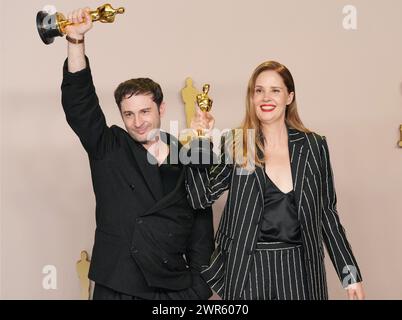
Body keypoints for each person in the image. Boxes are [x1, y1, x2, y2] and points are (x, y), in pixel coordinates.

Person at [61, 8, 214, 300]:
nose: (138, 121)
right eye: (128, 114)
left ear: (162, 109)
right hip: (116, 284)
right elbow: (80, 105)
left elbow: (200, 229)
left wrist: (199, 288)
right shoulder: (109, 147)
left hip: (170, 286)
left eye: (145, 111)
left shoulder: (188, 156)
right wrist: (75, 41)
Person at [186, 60, 365, 300]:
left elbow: (327, 216)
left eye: (275, 90)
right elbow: (200, 197)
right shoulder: (237, 142)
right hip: (248, 271)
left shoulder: (314, 146)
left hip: (300, 270)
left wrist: (350, 276)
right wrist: (200, 139)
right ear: (252, 97)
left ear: (289, 97)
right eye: (258, 90)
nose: (265, 98)